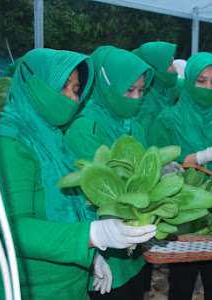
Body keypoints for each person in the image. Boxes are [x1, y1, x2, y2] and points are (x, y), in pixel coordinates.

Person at [0, 48, 157, 300]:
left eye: (75, 90)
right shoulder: (9, 144)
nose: (71, 98)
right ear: (34, 83)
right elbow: (13, 230)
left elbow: (69, 210)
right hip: (33, 289)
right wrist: (92, 235)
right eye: (63, 86)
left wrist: (92, 255)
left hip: (71, 284)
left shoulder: (53, 139)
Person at [149, 52, 212, 300]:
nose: (208, 88)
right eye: (201, 81)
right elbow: (156, 166)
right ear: (189, 81)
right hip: (183, 217)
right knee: (181, 284)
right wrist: (200, 157)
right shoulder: (168, 120)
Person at [64, 45, 155, 299]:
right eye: (128, 90)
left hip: (132, 247)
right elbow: (98, 190)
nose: (135, 98)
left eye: (140, 90)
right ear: (106, 84)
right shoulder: (85, 127)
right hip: (102, 243)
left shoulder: (133, 123)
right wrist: (95, 253)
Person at [132, 41, 179, 145]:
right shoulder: (146, 108)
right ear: (155, 68)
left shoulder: (163, 89)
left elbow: (190, 85)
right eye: (170, 64)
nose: (175, 69)